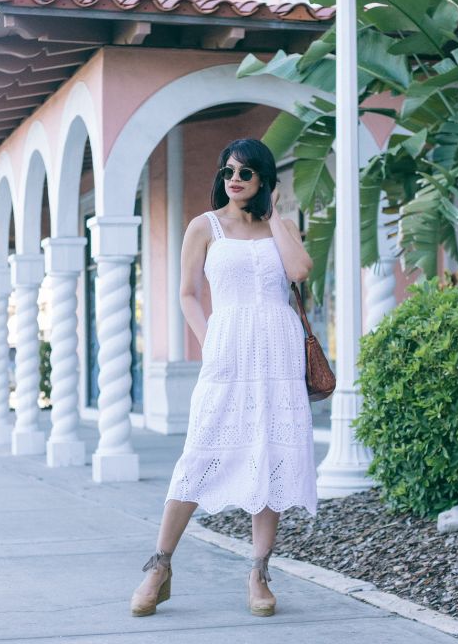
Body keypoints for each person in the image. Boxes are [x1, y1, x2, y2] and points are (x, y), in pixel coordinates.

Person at [130, 137, 317, 618]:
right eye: (228, 170)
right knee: (200, 453)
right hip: (227, 349)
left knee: (269, 455)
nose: (234, 179)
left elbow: (298, 270)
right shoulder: (204, 226)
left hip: (278, 353)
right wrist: (210, 336)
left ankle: (259, 572)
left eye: (246, 173)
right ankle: (159, 564)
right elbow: (188, 293)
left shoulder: (283, 227)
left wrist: (273, 213)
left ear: (264, 180)